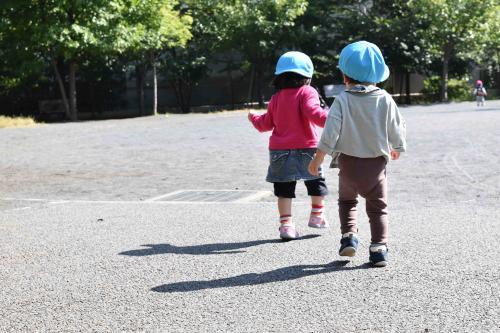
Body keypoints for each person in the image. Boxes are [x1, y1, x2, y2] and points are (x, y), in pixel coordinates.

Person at [308, 41, 406, 267]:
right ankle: (379, 249)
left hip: (348, 164)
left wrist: (319, 156)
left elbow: (331, 131)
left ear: (345, 77)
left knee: (347, 202)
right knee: (378, 207)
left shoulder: (342, 99)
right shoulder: (385, 98)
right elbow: (396, 125)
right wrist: (397, 146)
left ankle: (348, 237)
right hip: (375, 165)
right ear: (379, 75)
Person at [248, 51, 329, 241]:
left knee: (284, 189)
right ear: (307, 76)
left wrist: (253, 117)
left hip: (279, 150)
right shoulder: (307, 92)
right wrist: (335, 117)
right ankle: (317, 215)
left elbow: (265, 124)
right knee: (315, 180)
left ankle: (286, 226)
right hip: (307, 147)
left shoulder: (276, 98)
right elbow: (315, 114)